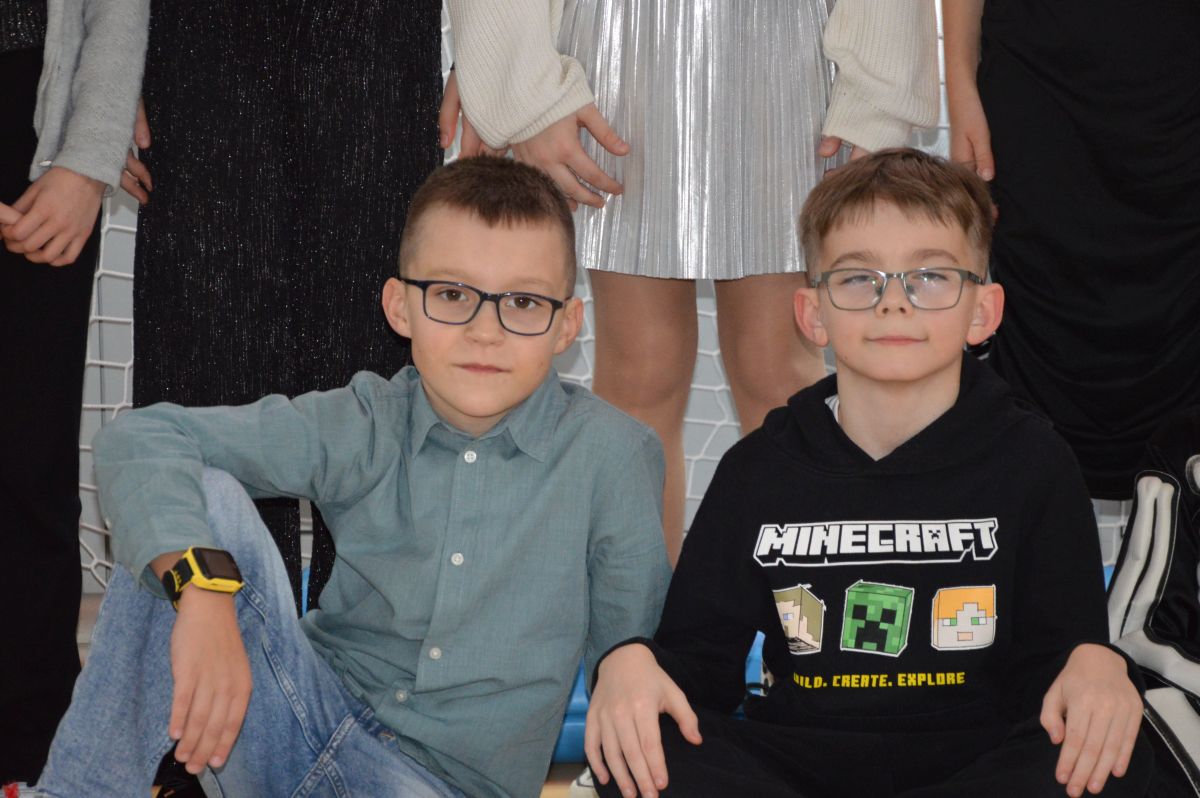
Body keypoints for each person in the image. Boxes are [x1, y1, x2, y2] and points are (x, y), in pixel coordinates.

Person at [23, 158, 670, 798]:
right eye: (452, 295)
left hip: (441, 787)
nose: (484, 332)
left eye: (522, 302)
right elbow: (141, 438)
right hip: (294, 726)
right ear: (400, 307)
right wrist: (202, 589)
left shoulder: (614, 456)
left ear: (566, 325)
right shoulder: (366, 420)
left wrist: (628, 656)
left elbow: (632, 640)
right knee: (198, 501)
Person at [583, 150, 1153, 798]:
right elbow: (697, 673)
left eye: (931, 277)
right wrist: (629, 662)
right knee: (638, 751)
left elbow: (1061, 664)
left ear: (983, 311)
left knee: (1117, 751)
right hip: (793, 763)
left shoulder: (1035, 461)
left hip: (977, 762)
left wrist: (1097, 664)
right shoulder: (757, 470)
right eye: (858, 279)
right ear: (812, 314)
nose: (893, 304)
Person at [443, 0, 941, 562]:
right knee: (640, 377)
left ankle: (801, 603)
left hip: (780, 53)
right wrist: (519, 85)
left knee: (779, 374)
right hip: (624, 49)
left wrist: (878, 92)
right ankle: (634, 607)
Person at [943, 0, 1200, 500]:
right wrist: (960, 84)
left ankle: (1172, 543)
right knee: (1039, 292)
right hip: (1035, 72)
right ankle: (1037, 528)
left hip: (1180, 86)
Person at [0, 0, 148, 784]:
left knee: (28, 461)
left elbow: (117, 12)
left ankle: (33, 759)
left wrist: (87, 158)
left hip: (34, 129)